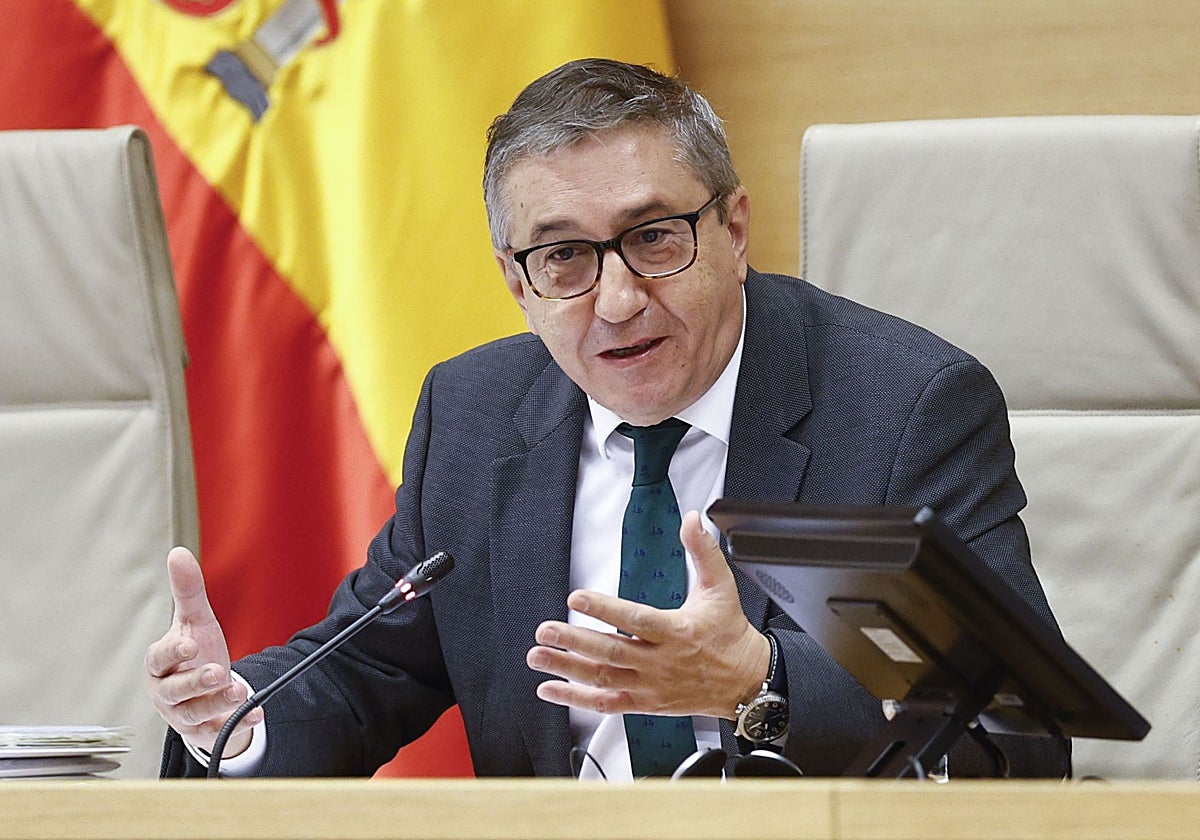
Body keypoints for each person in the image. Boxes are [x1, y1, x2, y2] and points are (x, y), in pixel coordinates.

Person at [147, 58, 1070, 780]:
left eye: (654, 238)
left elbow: (1017, 731)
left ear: (735, 230)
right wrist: (239, 715)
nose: (618, 300)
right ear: (517, 282)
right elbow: (369, 672)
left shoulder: (898, 408)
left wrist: (760, 682)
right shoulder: (474, 418)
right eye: (564, 258)